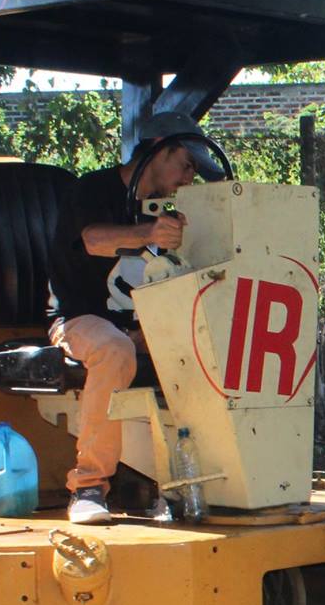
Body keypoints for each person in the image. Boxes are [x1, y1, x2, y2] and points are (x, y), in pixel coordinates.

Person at [49, 111, 223, 525]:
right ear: (159, 147)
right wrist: (148, 234)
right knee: (114, 348)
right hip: (79, 320)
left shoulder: (171, 210)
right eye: (186, 164)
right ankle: (89, 487)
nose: (189, 177)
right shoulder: (91, 190)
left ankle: (193, 487)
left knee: (209, 345)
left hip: (141, 327)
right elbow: (92, 240)